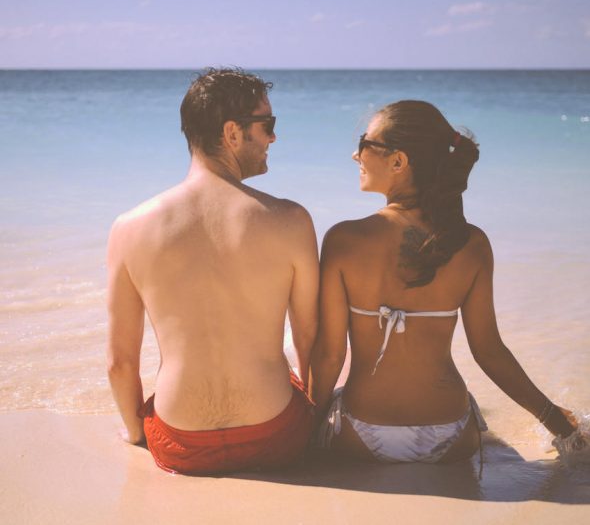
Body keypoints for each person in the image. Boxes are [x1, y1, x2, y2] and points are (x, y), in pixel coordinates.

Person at [310, 100, 577, 465]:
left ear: (398, 161)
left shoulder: (344, 239)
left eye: (364, 144)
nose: (354, 155)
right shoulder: (471, 243)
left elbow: (329, 355)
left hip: (361, 431)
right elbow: (490, 352)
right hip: (450, 434)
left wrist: (305, 434)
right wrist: (557, 422)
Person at [107, 67, 318, 475]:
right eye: (267, 124)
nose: (274, 137)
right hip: (275, 436)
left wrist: (136, 433)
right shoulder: (290, 220)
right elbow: (309, 339)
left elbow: (119, 361)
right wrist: (312, 418)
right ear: (232, 133)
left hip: (179, 442)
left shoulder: (129, 228)